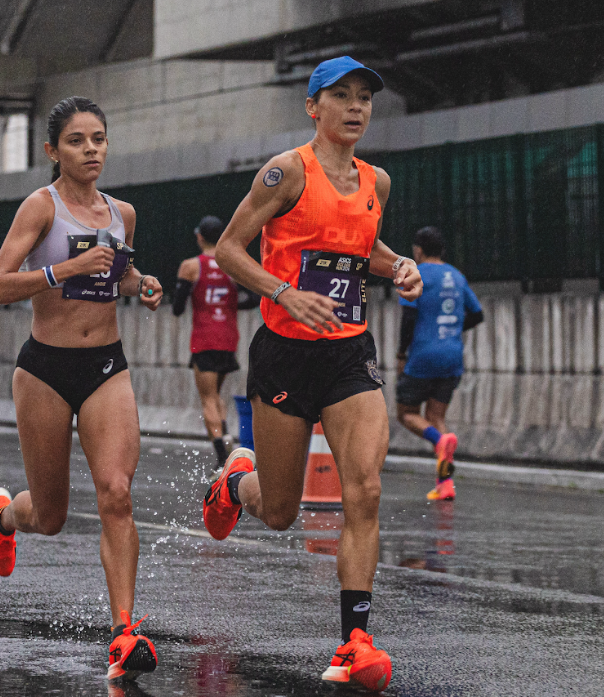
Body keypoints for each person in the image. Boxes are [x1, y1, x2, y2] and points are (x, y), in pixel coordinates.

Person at [207, 56, 422, 692]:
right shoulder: (285, 173)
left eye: (365, 98)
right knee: (279, 512)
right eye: (342, 97)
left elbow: (365, 250)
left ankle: (355, 639)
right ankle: (234, 481)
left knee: (365, 489)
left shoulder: (376, 181)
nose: (356, 108)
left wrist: (401, 266)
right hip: (285, 351)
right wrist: (285, 292)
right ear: (313, 107)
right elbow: (228, 249)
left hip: (349, 353)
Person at [0, 96, 164, 684]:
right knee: (53, 514)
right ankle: (5, 519)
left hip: (107, 366)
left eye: (99, 139)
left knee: (116, 493)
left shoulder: (122, 212)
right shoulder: (42, 207)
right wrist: (63, 271)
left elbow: (120, 271)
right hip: (45, 371)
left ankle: (124, 631)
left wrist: (141, 284)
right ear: (53, 151)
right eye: (78, 141)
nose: (91, 150)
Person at [395, 226, 483, 501]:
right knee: (437, 417)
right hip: (452, 357)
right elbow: (477, 314)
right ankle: (445, 485)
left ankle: (438, 440)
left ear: (418, 250)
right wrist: (453, 328)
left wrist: (401, 355)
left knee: (406, 413)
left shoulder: (417, 274)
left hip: (423, 356)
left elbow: (408, 319)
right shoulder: (456, 276)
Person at [172, 216, 257, 478]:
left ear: (199, 237)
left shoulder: (190, 266)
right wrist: (229, 305)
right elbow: (254, 297)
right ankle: (227, 438)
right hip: (229, 337)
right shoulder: (231, 264)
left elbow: (177, 307)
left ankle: (222, 456)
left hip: (205, 338)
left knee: (207, 398)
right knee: (216, 395)